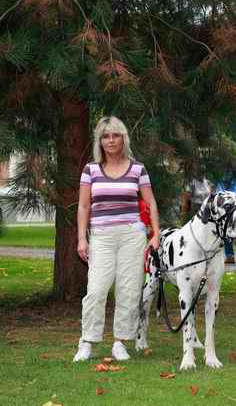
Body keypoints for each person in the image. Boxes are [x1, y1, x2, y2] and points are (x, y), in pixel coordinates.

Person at [74, 116, 160, 363]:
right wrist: (82, 239)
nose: (110, 141)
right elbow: (83, 207)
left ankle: (120, 342)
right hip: (101, 237)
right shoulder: (90, 170)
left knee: (129, 290)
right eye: (105, 136)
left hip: (132, 236)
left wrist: (155, 234)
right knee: (96, 289)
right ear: (99, 141)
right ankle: (87, 340)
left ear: (124, 138)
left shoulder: (137, 169)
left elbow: (151, 202)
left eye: (115, 135)